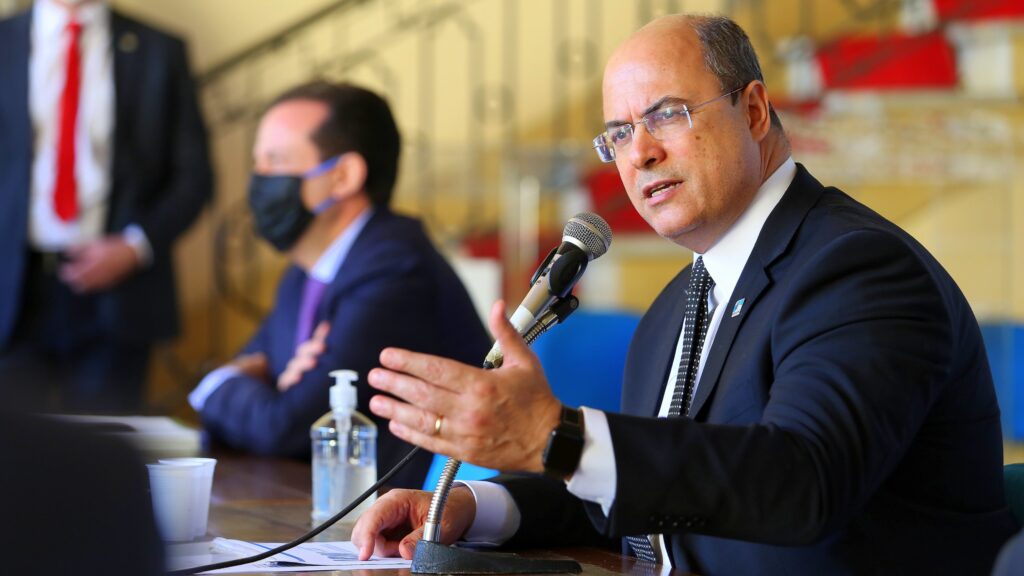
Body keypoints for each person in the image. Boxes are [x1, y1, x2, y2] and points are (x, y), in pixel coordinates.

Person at [350, 13, 1020, 575]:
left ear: (753, 110)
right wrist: (474, 508)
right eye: (618, 134)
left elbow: (802, 482)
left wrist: (558, 438)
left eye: (666, 115)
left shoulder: (856, 269)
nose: (638, 153)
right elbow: (655, 491)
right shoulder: (677, 306)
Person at [189, 81, 490, 490]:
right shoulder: (304, 270)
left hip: (416, 510)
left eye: (275, 161)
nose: (258, 179)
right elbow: (260, 387)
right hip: (323, 497)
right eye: (258, 163)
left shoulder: (394, 267)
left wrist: (217, 385)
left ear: (343, 176)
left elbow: (283, 426)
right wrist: (258, 386)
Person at [0, 0, 213, 412]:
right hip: (14, 292)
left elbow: (194, 177)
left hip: (118, 299)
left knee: (105, 443)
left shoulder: (159, 49)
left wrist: (135, 246)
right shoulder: (4, 40)